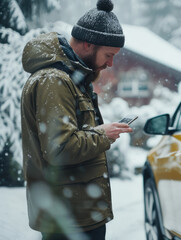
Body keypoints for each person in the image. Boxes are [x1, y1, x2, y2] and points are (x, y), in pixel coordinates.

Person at [20, 0, 132, 239]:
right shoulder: (54, 80)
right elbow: (59, 149)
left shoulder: (71, 78)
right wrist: (103, 134)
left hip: (76, 213)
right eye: (108, 55)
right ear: (88, 44)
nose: (111, 64)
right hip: (68, 219)